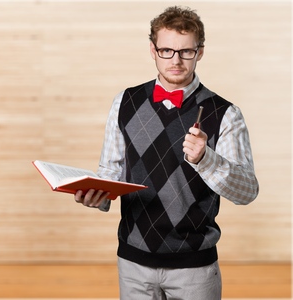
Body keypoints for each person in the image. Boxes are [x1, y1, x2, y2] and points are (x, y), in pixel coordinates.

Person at [74, 6, 259, 300]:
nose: (175, 60)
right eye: (166, 50)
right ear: (152, 49)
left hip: (194, 267)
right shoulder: (126, 102)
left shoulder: (225, 113)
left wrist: (206, 159)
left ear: (200, 52)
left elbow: (247, 191)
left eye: (186, 52)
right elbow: (111, 173)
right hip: (133, 262)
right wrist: (96, 195)